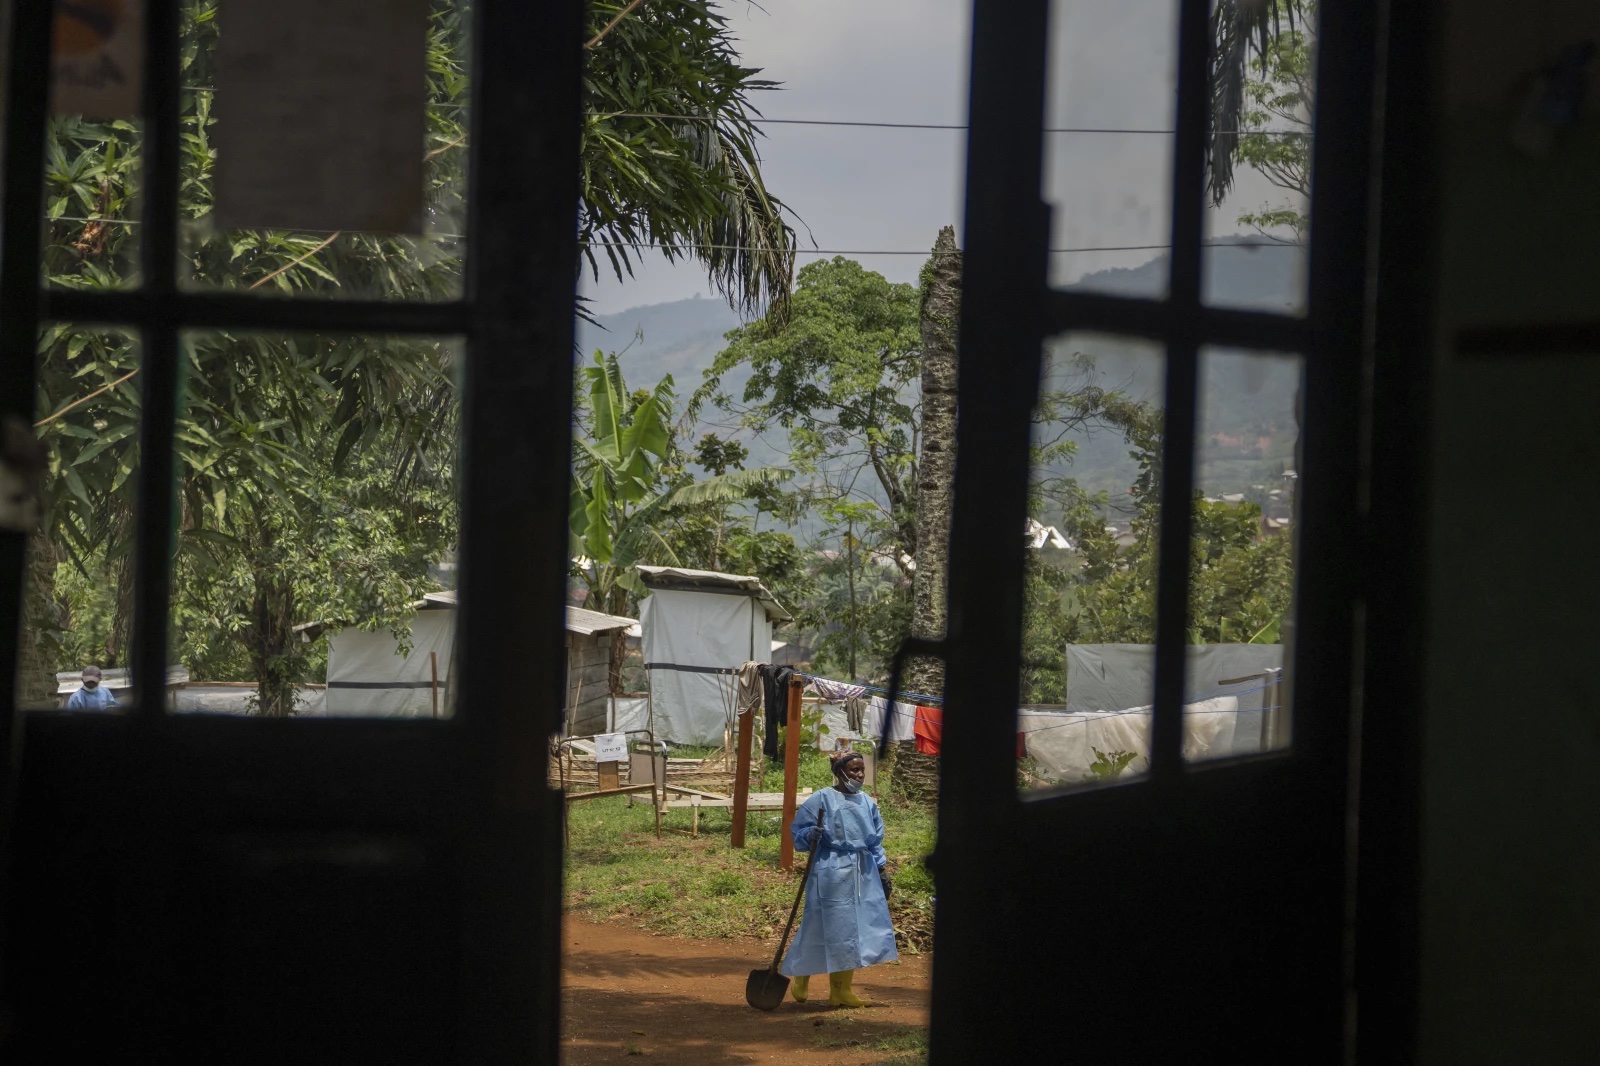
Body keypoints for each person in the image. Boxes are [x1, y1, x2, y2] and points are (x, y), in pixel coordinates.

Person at [780, 748, 897, 1008]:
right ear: (839, 772)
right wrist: (810, 834)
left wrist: (881, 869)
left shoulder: (868, 803)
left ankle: (841, 990)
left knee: (854, 929)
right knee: (820, 925)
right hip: (831, 869)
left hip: (862, 871)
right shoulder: (821, 799)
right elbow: (797, 832)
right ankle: (801, 977)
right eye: (854, 770)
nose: (859, 775)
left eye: (862, 770)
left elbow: (876, 841)